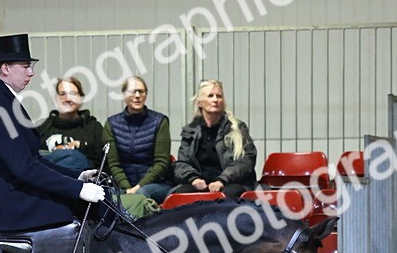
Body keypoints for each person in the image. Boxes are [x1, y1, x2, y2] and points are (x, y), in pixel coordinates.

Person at [0, 34, 104, 233]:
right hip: (5, 203)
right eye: (25, 66)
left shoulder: (4, 99)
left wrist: (78, 176)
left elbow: (33, 159)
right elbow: (24, 167)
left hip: (13, 191)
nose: (31, 73)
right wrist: (78, 189)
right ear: (6, 68)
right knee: (79, 206)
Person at [170, 79, 258, 199]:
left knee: (227, 195)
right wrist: (193, 178)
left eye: (219, 96)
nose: (215, 100)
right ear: (199, 102)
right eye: (210, 96)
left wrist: (222, 180)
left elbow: (247, 160)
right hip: (201, 184)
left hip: (232, 183)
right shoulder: (190, 130)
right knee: (181, 195)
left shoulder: (237, 128)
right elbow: (181, 163)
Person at [103, 76, 172, 205]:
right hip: (122, 185)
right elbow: (113, 164)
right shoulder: (111, 124)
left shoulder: (160, 121)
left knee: (141, 195)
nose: (137, 95)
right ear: (124, 95)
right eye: (133, 91)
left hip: (155, 184)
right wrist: (127, 188)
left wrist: (137, 188)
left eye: (141, 91)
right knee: (106, 196)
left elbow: (161, 163)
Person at [35, 77, 104, 172]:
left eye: (73, 94)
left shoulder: (94, 128)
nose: (67, 99)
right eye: (62, 94)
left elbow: (101, 166)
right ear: (56, 99)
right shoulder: (41, 127)